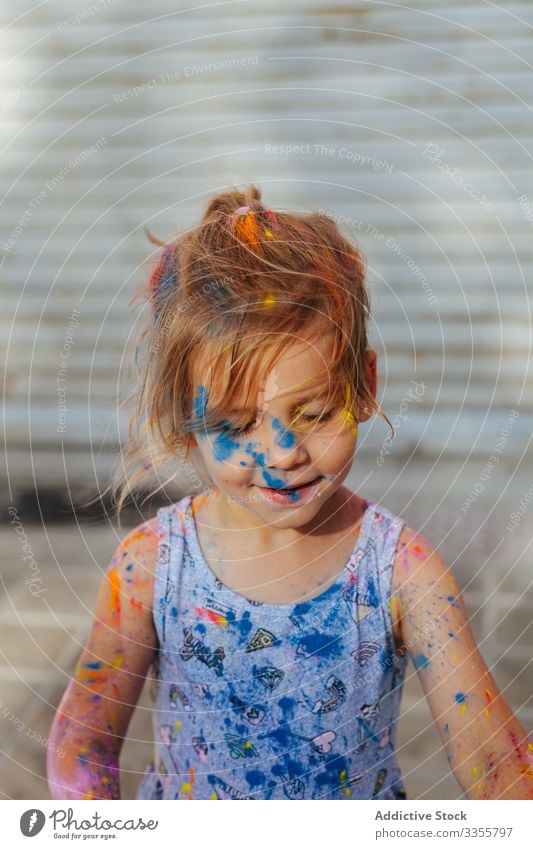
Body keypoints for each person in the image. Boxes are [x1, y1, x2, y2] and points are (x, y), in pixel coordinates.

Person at [47, 184, 533, 801]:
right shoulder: (151, 567)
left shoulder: (403, 574)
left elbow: (496, 762)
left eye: (314, 412)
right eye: (235, 423)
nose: (283, 453)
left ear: (364, 385)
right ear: (183, 418)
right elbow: (79, 746)